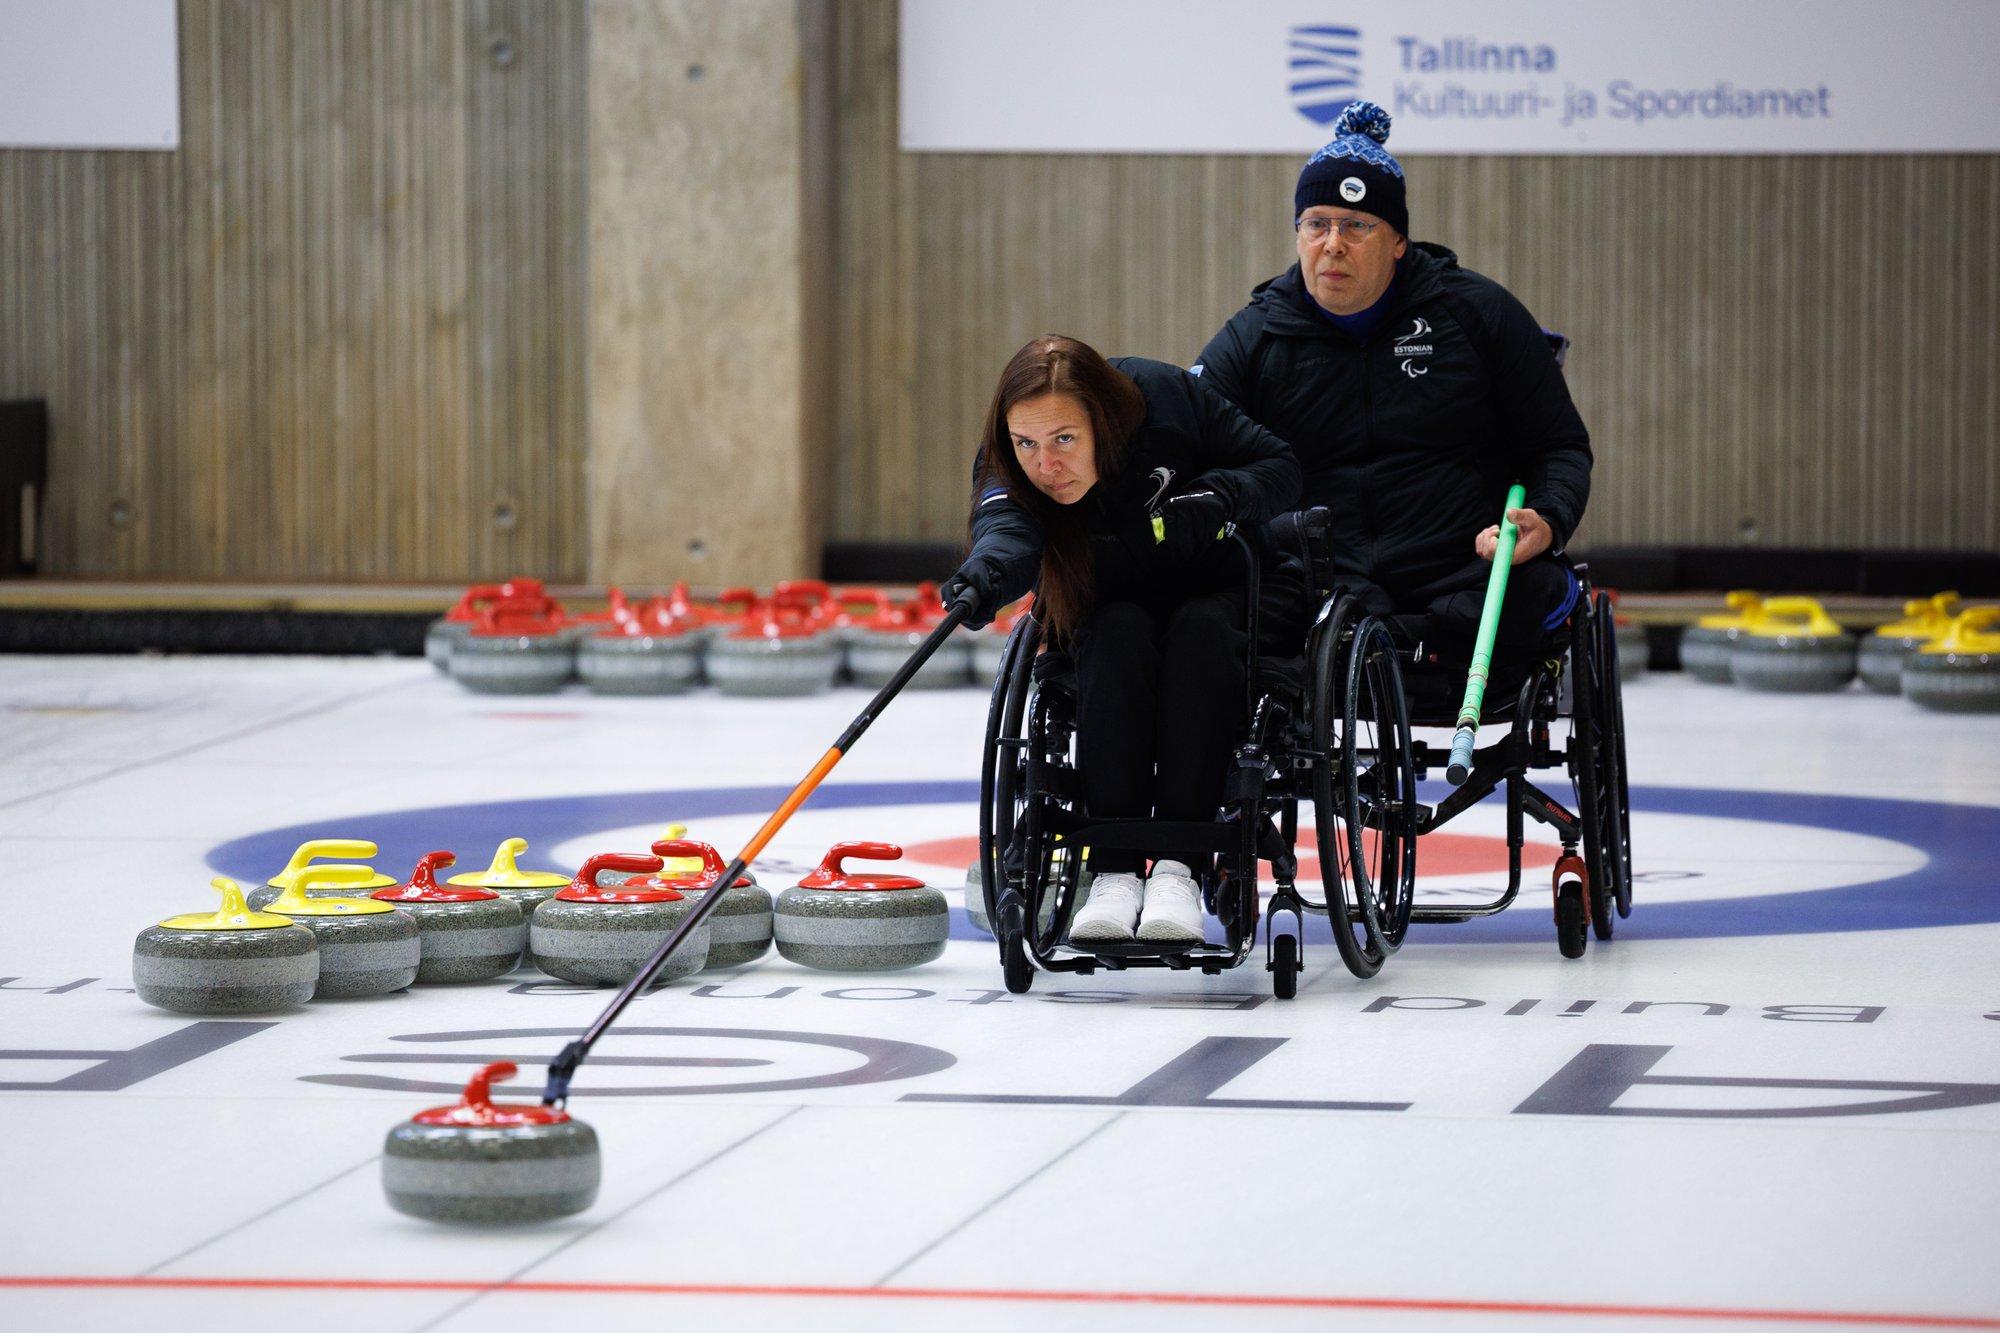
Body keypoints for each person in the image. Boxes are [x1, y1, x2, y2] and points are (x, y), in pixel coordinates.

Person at [1193, 100, 1593, 656]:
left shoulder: (1478, 313)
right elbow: (1192, 443)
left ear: (1399, 242)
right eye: (1316, 225)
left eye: (1357, 225)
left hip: (1467, 566)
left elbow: (1559, 445)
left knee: (1543, 593)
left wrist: (1547, 520)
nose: (1332, 243)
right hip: (1323, 581)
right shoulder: (1256, 335)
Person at [942, 335, 1300, 943]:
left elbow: (1280, 468)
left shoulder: (1167, 399)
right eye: (1027, 444)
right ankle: (1113, 869)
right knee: (1114, 634)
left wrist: (1216, 499)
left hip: (1220, 585)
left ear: (1103, 424)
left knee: (1200, 632)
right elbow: (1005, 525)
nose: (1045, 465)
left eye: (1064, 440)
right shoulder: (1011, 464)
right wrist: (985, 577)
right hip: (1109, 603)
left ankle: (1179, 869)